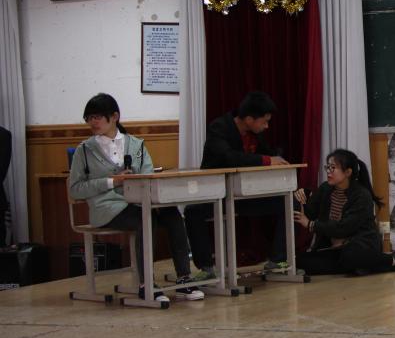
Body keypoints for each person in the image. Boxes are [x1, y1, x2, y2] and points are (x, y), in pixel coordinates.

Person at [68, 93, 203, 303]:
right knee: (145, 220)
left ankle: (184, 278)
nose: (92, 122)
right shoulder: (84, 151)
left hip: (139, 202)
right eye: (89, 118)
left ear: (114, 116)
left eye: (97, 117)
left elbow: (148, 176)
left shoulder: (136, 145)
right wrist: (112, 182)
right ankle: (146, 283)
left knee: (172, 214)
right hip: (107, 208)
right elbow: (75, 189)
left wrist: (144, 191)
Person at [185, 91, 290, 279]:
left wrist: (276, 158)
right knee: (193, 211)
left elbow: (268, 154)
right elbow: (229, 157)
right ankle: (206, 267)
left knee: (290, 203)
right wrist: (266, 160)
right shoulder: (219, 127)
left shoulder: (255, 134)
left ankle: (278, 260)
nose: (266, 126)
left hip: (245, 195)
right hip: (216, 194)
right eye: (264, 122)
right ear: (249, 119)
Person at [293, 148, 395, 276]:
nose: (328, 171)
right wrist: (303, 196)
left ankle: (392, 259)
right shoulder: (325, 189)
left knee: (350, 256)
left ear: (348, 172)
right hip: (335, 249)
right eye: (327, 167)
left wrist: (311, 225)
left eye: (333, 168)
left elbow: (343, 228)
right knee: (300, 261)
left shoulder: (361, 195)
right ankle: (363, 266)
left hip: (361, 246)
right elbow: (309, 214)